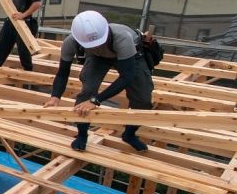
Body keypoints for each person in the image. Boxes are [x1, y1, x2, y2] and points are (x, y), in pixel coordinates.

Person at [44, 10, 155, 152]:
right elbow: (62, 72)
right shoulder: (71, 42)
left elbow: (127, 76)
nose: (96, 46)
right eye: (91, 45)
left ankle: (129, 134)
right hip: (97, 58)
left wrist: (96, 100)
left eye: (98, 43)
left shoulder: (122, 38)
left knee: (143, 99)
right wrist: (55, 96)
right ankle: (82, 135)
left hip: (130, 56)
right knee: (87, 91)